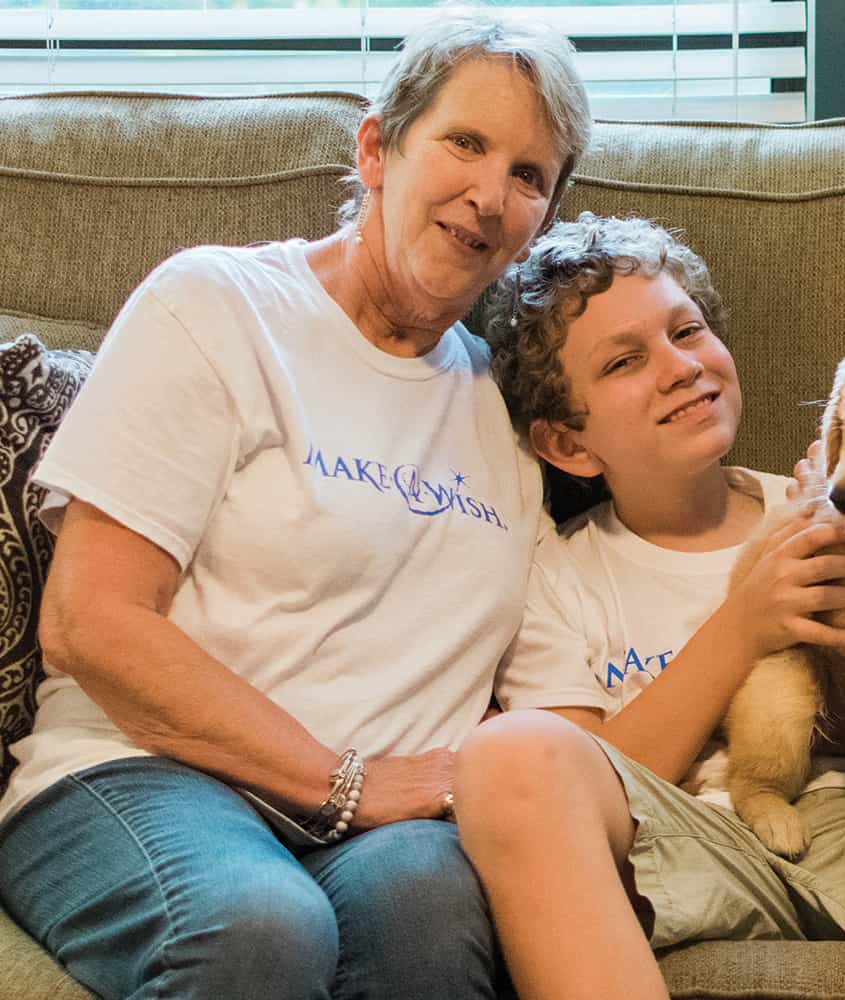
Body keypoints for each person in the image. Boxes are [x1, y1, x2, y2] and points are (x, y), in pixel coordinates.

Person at [0, 10, 591, 1000]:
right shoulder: (219, 306)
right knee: (260, 926)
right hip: (138, 774)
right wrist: (348, 780)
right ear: (376, 149)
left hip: (385, 834)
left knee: (436, 915)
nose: (491, 194)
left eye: (530, 176)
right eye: (465, 142)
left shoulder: (511, 411)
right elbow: (88, 622)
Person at [454, 213, 845, 1000]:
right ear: (568, 445)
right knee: (507, 755)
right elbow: (580, 785)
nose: (679, 366)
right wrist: (742, 626)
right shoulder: (553, 573)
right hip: (700, 840)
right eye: (625, 361)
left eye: (688, 329)